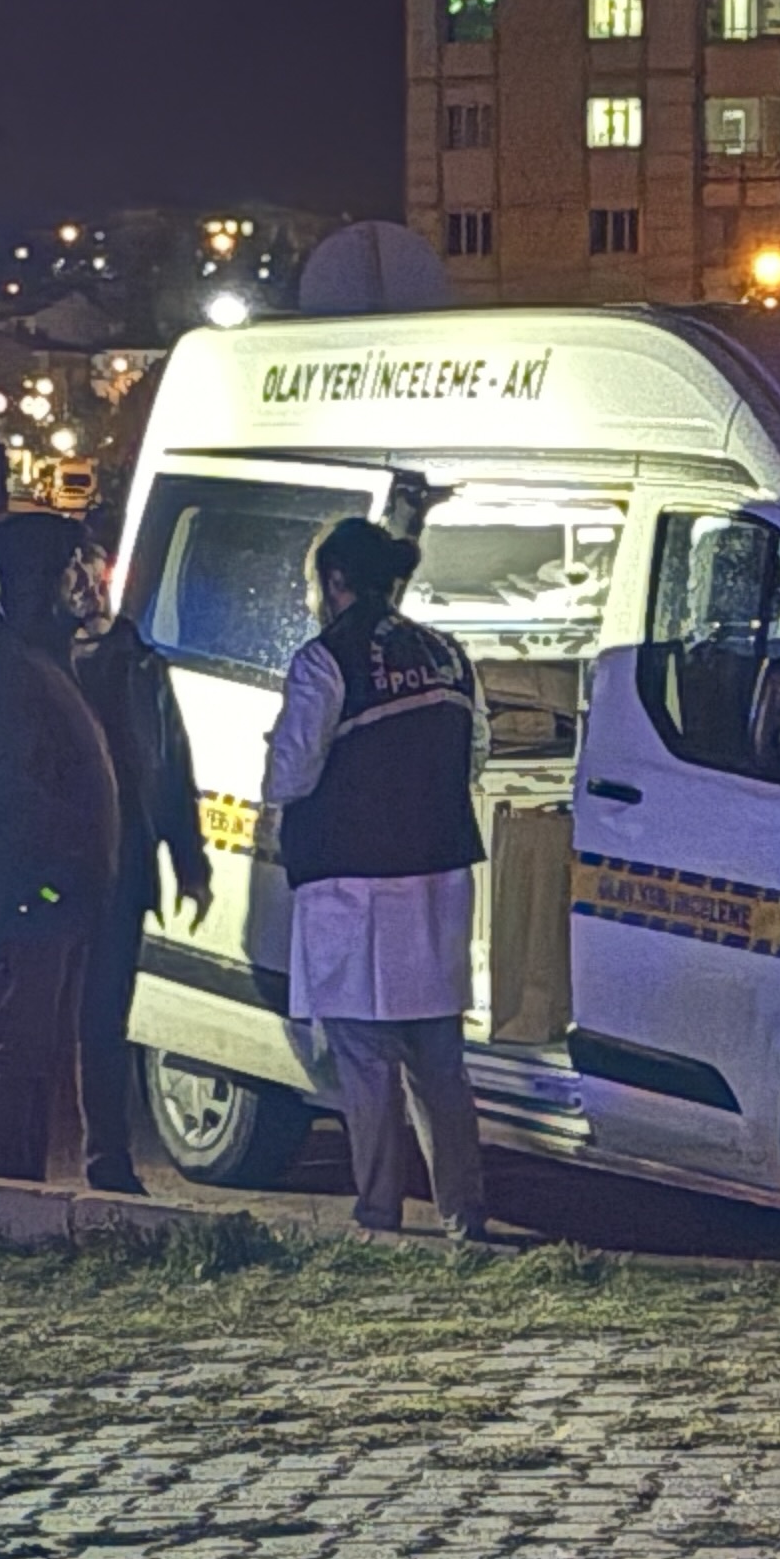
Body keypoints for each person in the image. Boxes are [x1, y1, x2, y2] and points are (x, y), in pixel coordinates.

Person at [265, 518, 492, 1239]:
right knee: (439, 1065)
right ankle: (464, 1216)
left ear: (335, 582)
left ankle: (379, 1215)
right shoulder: (447, 654)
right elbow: (475, 754)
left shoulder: (323, 661)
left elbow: (290, 773)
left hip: (352, 887)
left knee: (365, 1065)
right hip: (438, 882)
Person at [0, 513, 121, 1182]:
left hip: (46, 881)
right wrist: (64, 857)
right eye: (70, 564)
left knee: (37, 1051)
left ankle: (25, 1195)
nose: (82, 578)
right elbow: (0, 786)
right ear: (37, 574)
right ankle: (2, 1199)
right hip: (26, 884)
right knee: (18, 1051)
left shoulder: (29, 649)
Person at [70, 538, 213, 1194]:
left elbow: (171, 767)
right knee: (38, 1024)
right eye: (71, 575)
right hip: (60, 864)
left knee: (105, 1017)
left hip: (124, 866)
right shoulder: (37, 662)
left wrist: (190, 861)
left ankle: (108, 1157)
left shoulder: (141, 668)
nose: (85, 588)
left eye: (92, 575)